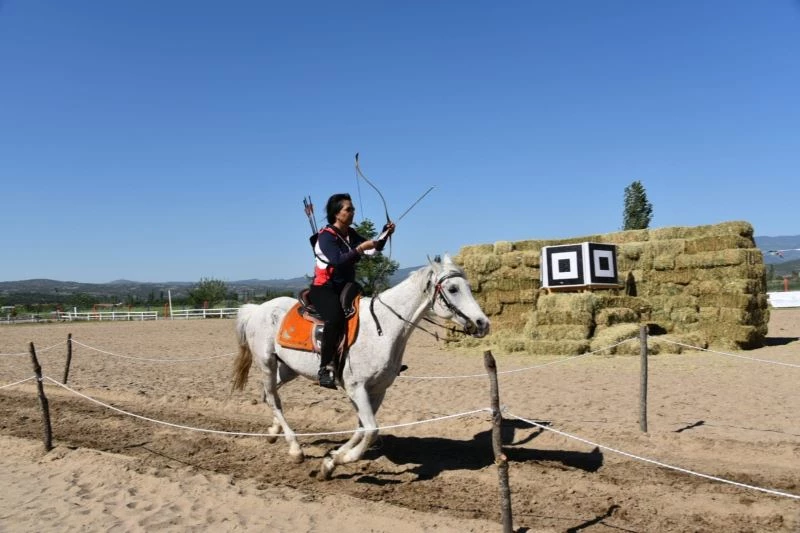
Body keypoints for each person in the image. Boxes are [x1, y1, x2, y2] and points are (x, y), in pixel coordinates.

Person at [309, 193, 395, 388]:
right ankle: (325, 368)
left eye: (353, 208)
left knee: (369, 314)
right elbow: (338, 260)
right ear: (337, 214)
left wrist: (385, 233)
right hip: (324, 289)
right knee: (335, 318)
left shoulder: (350, 233)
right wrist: (359, 249)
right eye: (348, 209)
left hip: (346, 287)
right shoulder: (325, 237)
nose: (352, 212)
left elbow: (373, 249)